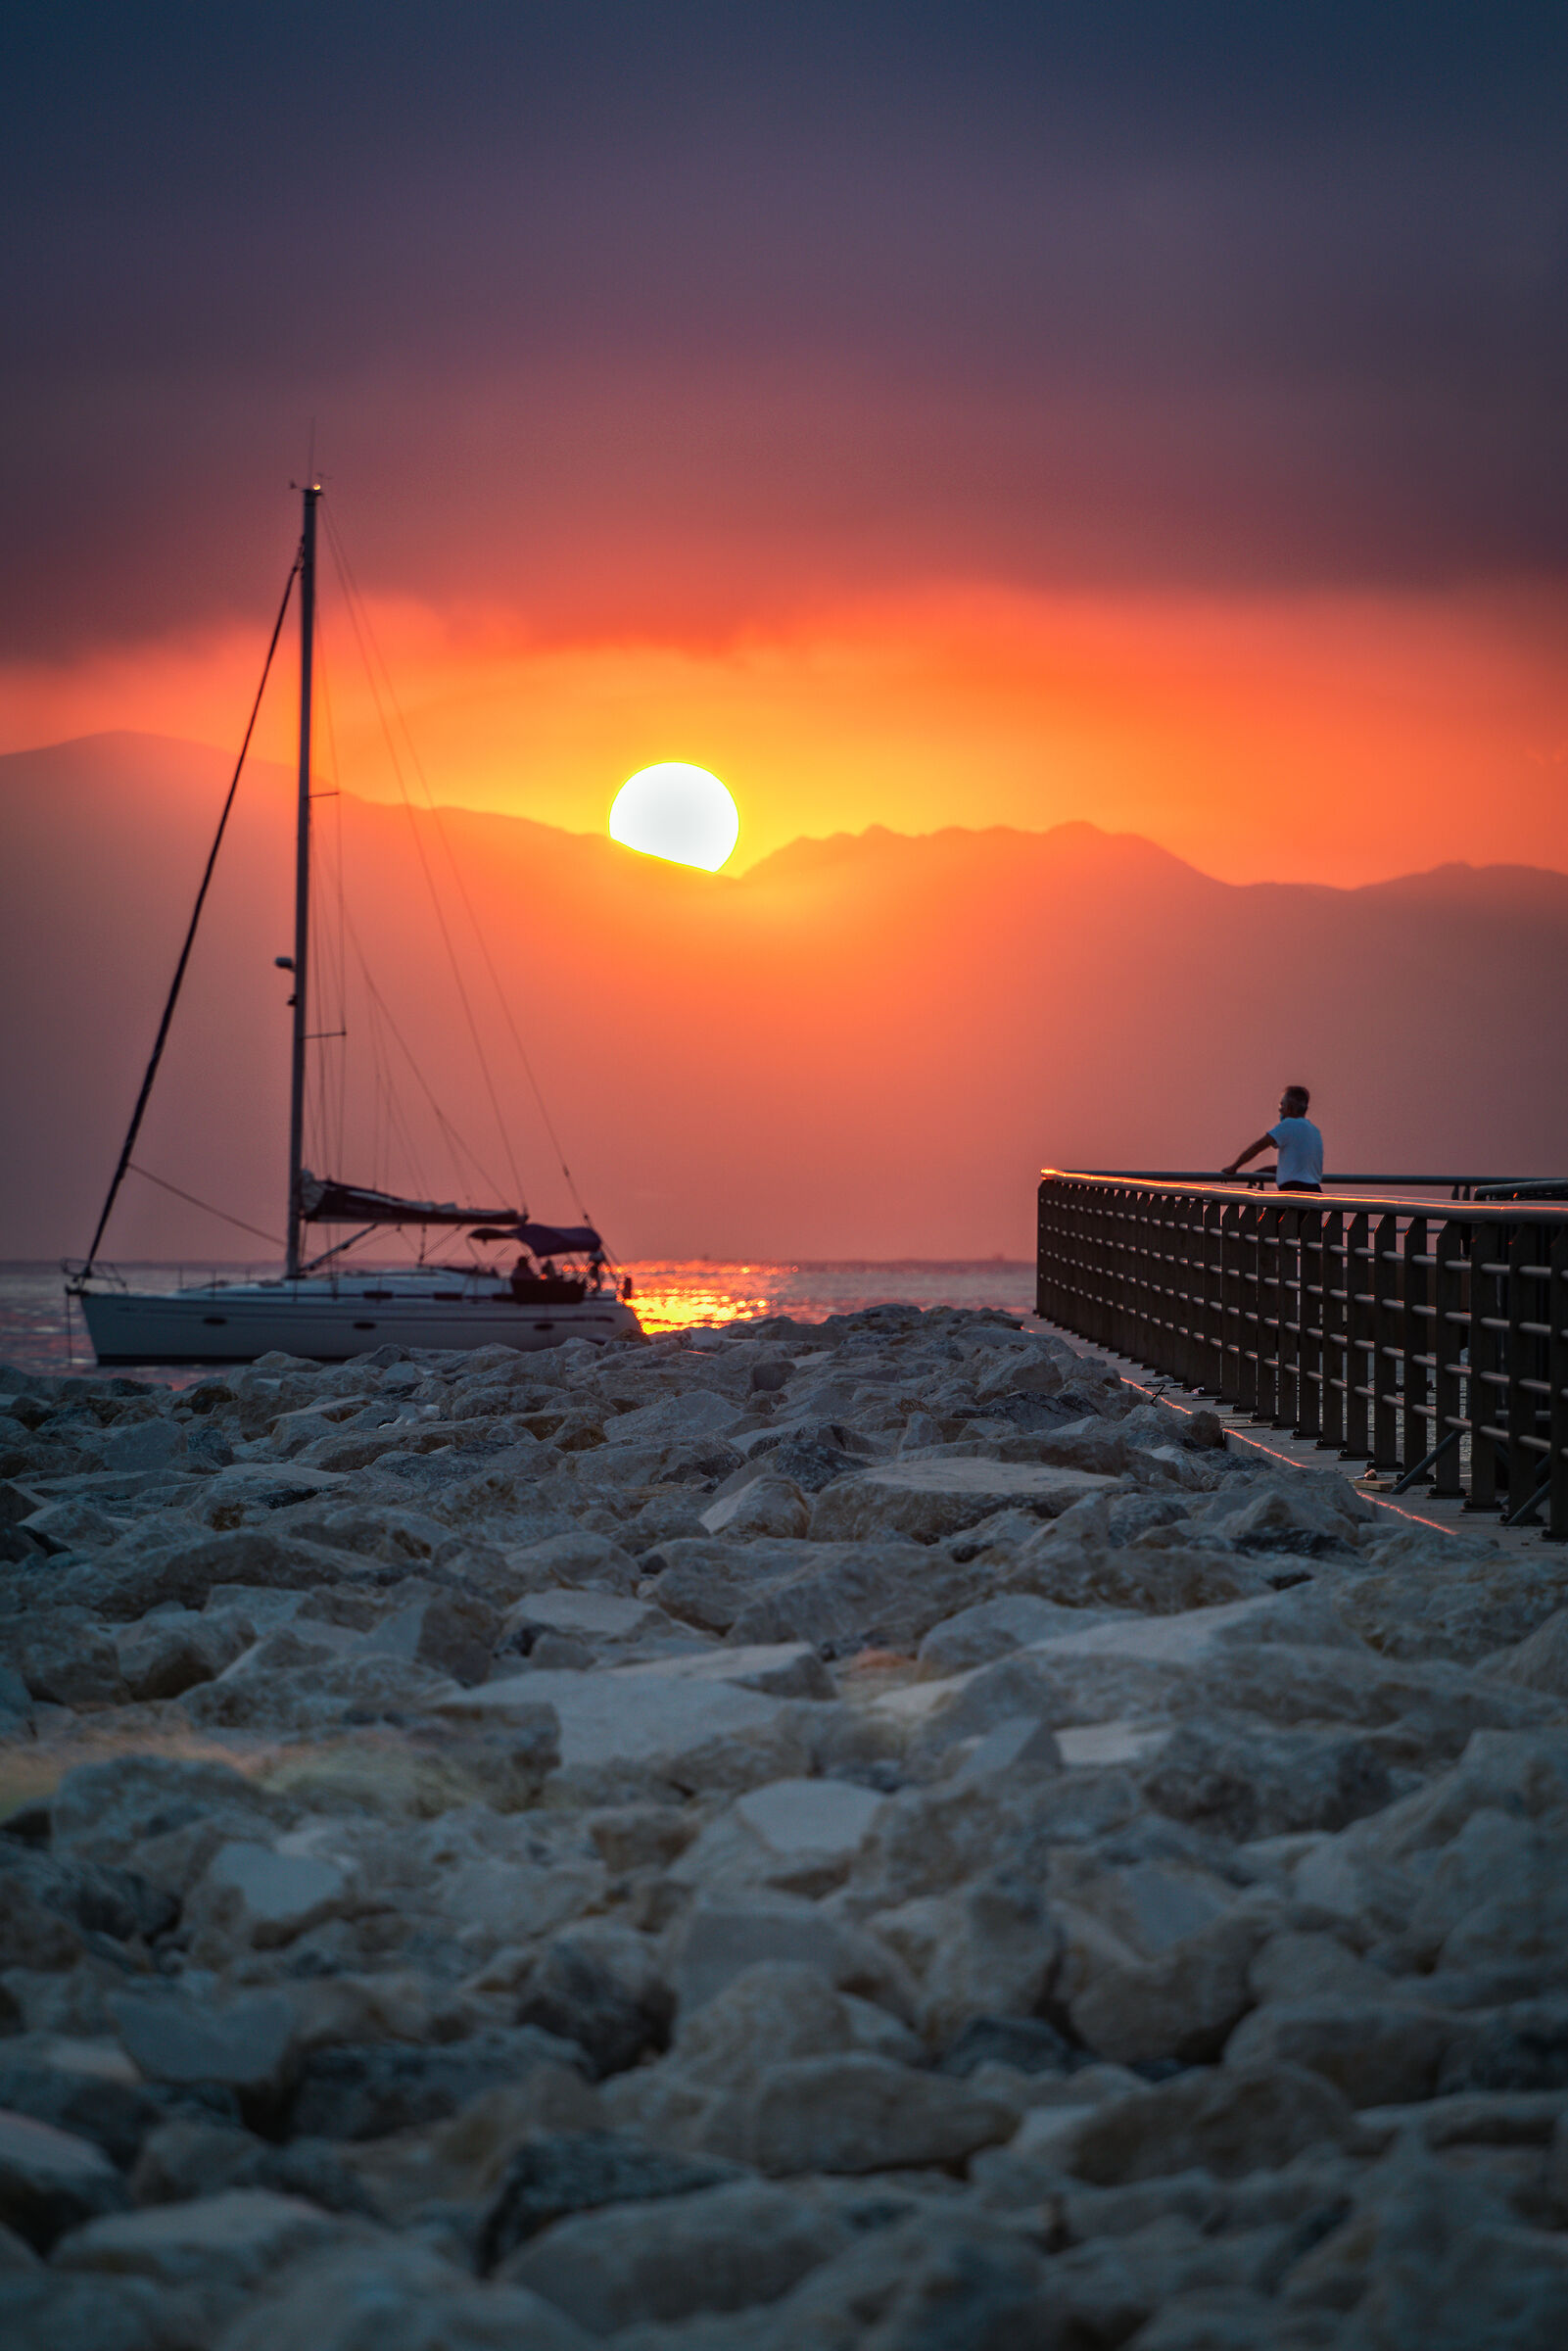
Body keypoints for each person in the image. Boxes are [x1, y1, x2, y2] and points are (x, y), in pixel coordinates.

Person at [1221, 1085, 1323, 1193]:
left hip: (1293, 1192)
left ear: (1289, 1108)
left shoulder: (1288, 1125)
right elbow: (1300, 1168)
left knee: (1267, 1208)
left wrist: (1234, 1167)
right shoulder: (1314, 1130)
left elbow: (1258, 1146)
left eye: (1282, 1105)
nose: (1280, 1109)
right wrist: (1268, 1170)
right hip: (1314, 1192)